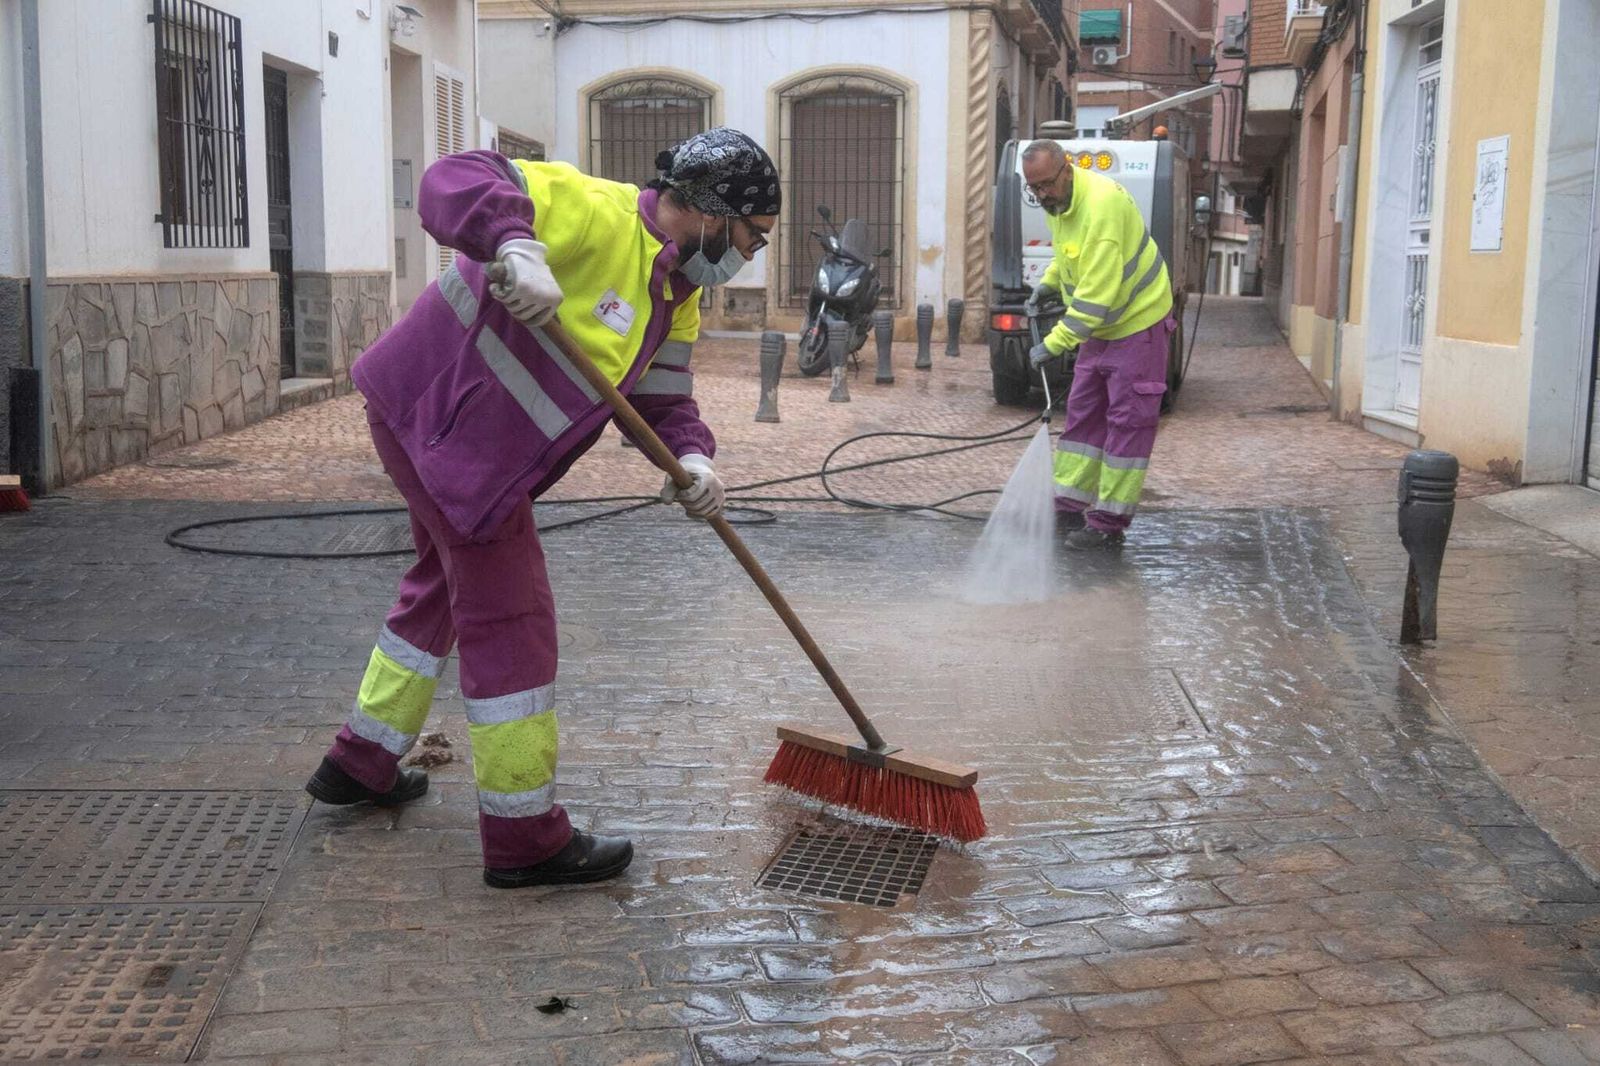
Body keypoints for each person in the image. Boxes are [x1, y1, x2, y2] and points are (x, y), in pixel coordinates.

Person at [302, 128, 780, 888]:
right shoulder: (597, 211)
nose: (749, 256)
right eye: (751, 238)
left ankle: (359, 760)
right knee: (513, 616)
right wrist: (515, 244)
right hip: (441, 427)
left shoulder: (676, 295)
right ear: (714, 211)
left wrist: (692, 456)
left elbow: (660, 399)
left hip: (460, 444)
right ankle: (525, 836)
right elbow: (453, 177)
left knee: (440, 594)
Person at [1022, 138, 1175, 549]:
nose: (1041, 195)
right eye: (1032, 189)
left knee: (1128, 422)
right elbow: (1070, 256)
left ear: (1066, 170)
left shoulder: (1102, 206)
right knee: (1084, 414)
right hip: (1102, 327)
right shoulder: (1061, 204)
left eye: (1046, 186)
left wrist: (1053, 344)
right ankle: (1070, 506)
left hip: (1137, 322)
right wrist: (1049, 284)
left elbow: (1097, 294)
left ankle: (1108, 525)